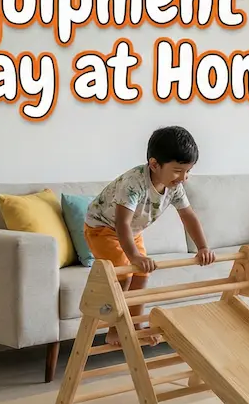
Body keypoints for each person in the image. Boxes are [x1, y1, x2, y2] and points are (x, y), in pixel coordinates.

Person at [83, 126, 216, 346]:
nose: (183, 178)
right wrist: (134, 256)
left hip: (131, 232)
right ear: (154, 165)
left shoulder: (175, 187)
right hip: (103, 228)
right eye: (177, 171)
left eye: (188, 171)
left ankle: (135, 324)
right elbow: (122, 223)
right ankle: (115, 328)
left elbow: (188, 216)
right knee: (123, 275)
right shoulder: (134, 183)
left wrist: (202, 247)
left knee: (142, 274)